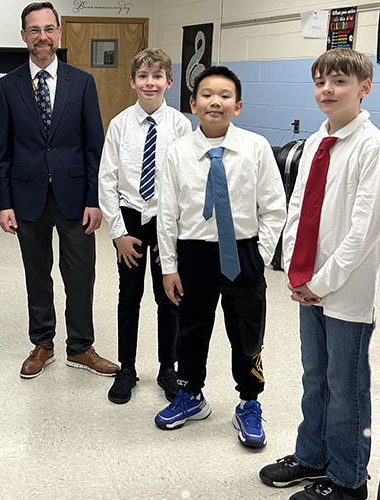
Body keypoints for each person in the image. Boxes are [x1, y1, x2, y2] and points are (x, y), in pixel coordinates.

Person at [259, 48, 380, 500]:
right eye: (321, 82)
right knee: (315, 375)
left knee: (346, 385)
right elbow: (297, 210)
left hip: (345, 289)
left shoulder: (372, 146)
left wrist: (321, 282)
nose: (328, 90)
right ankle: (313, 454)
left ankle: (350, 478)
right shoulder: (314, 142)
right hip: (308, 283)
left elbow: (364, 230)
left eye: (340, 82)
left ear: (364, 88)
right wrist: (295, 271)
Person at [154, 66, 286, 448]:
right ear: (193, 104)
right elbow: (167, 213)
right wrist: (169, 266)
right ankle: (190, 394)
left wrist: (258, 256)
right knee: (191, 329)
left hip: (242, 251)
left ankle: (249, 401)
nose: (216, 101)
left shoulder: (256, 148)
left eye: (225, 95)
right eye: (207, 95)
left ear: (238, 106)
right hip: (194, 253)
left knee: (247, 333)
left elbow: (274, 208)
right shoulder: (177, 153)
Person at [0, 1, 117, 379]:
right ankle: (42, 343)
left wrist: (95, 200)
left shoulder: (82, 82)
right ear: (23, 36)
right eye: (34, 30)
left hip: (75, 196)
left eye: (49, 29)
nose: (42, 37)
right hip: (27, 194)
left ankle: (80, 347)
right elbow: (3, 149)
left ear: (59, 33)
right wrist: (4, 202)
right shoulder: (8, 84)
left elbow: (94, 146)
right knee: (37, 272)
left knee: (80, 273)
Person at [99, 48, 191, 405]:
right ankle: (127, 368)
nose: (149, 83)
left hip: (167, 220)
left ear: (168, 82)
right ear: (133, 82)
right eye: (143, 76)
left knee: (169, 298)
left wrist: (175, 233)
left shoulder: (181, 125)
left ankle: (168, 368)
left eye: (157, 77)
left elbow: (187, 181)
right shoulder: (120, 124)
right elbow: (107, 181)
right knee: (129, 297)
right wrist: (119, 234)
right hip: (130, 219)